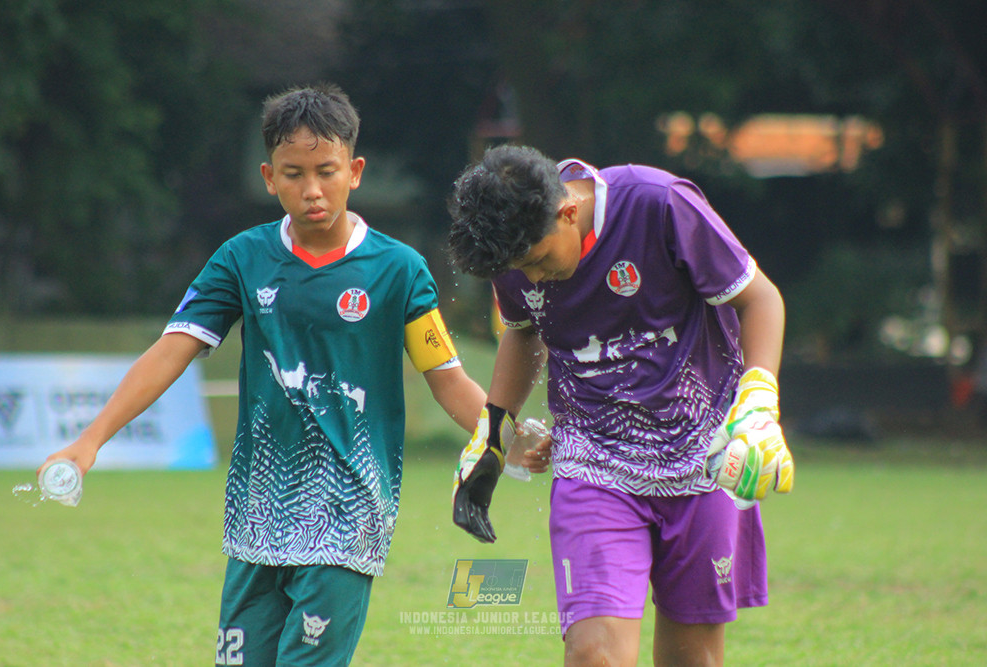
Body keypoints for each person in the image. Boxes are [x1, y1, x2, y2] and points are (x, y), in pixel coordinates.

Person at [39, 83, 488, 666]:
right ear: (269, 177)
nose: (311, 189)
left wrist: (499, 431)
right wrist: (89, 441)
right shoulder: (242, 258)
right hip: (257, 512)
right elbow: (172, 349)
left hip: (347, 515)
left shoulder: (399, 270)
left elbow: (446, 375)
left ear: (354, 171)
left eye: (325, 171)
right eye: (293, 173)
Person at [448, 145, 793, 667]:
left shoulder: (657, 203)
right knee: (594, 656)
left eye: (539, 261)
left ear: (568, 212)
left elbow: (759, 298)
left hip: (704, 456)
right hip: (594, 464)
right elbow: (523, 335)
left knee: (693, 660)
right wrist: (493, 433)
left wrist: (760, 404)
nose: (533, 279)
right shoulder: (512, 245)